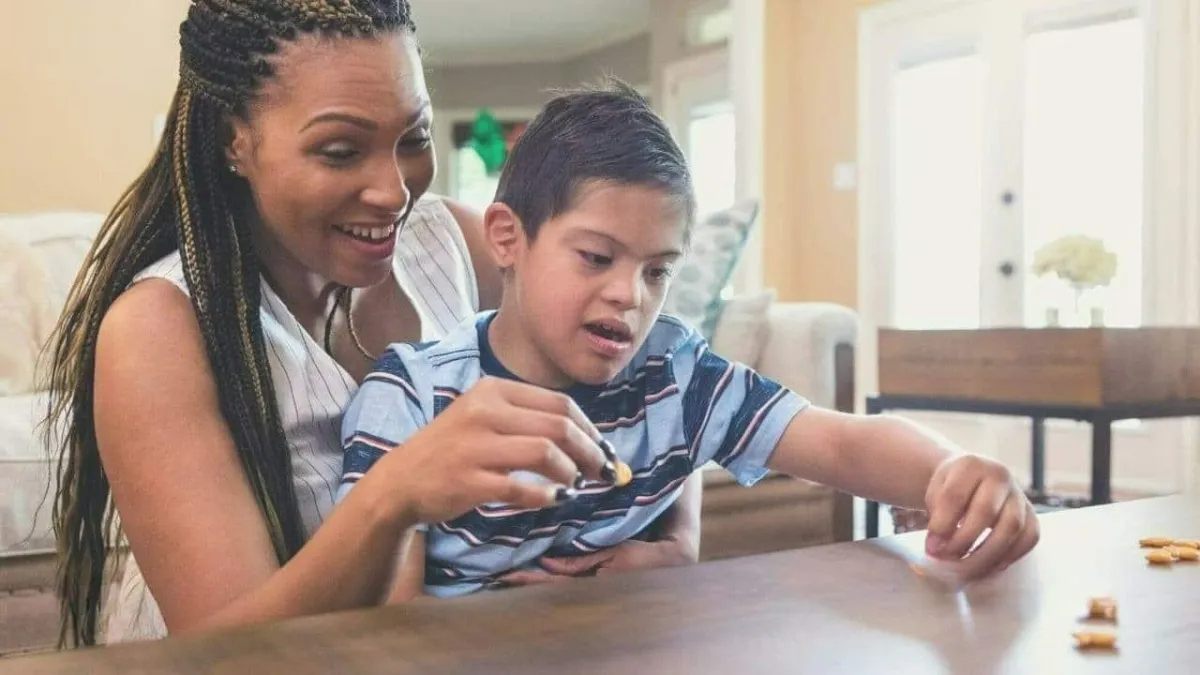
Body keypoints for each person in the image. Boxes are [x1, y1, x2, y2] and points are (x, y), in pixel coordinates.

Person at [43, 0, 700, 648]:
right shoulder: (158, 329)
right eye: (339, 150)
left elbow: (660, 357)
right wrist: (394, 495)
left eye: (412, 138)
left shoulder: (454, 244)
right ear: (232, 142)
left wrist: (677, 539)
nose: (393, 191)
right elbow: (226, 654)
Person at [337, 80, 1042, 601]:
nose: (629, 294)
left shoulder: (674, 377)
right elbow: (389, 622)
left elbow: (840, 442)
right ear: (508, 238)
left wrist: (954, 471)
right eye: (596, 256)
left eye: (657, 270)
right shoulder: (413, 394)